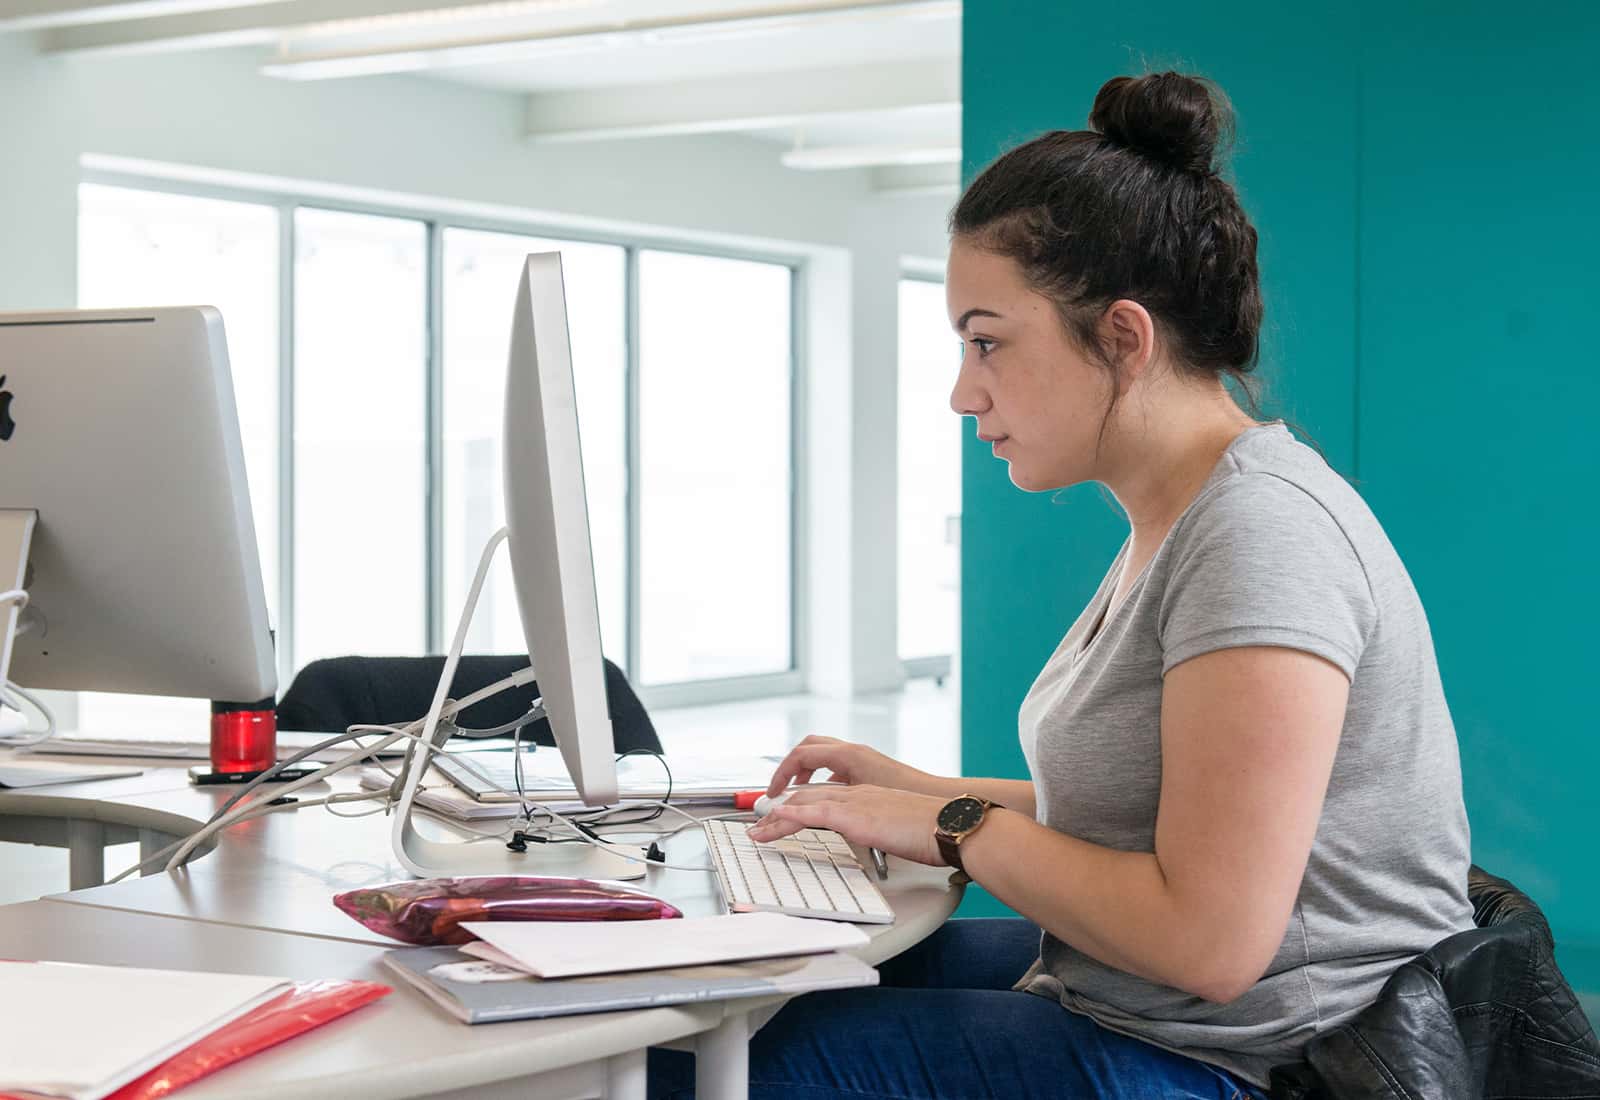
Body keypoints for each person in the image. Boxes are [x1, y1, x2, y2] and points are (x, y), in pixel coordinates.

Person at [649, 70, 1475, 1100]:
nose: (963, 391)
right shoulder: (1181, 515)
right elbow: (1137, 813)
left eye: (986, 341)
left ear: (1122, 340)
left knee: (709, 1067)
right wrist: (900, 788)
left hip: (1249, 1063)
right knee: (765, 988)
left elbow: (1210, 939)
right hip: (1161, 1011)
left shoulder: (1261, 537)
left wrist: (949, 828)